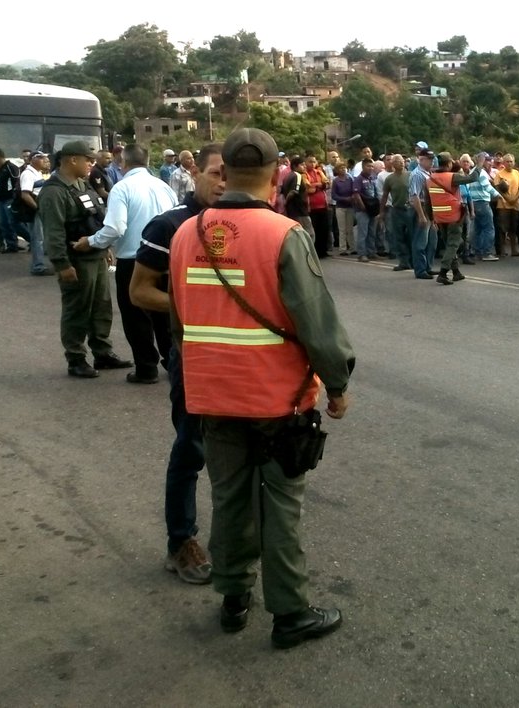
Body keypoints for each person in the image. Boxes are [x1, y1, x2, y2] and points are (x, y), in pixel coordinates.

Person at [168, 127, 354, 649]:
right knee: (281, 504)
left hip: (211, 396)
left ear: (222, 171)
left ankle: (233, 597)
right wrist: (337, 384)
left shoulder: (188, 234)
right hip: (278, 399)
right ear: (277, 174)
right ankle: (290, 612)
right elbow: (317, 323)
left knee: (228, 498)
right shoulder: (284, 234)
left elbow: (180, 323)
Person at [129, 142, 225, 586]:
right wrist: (192, 310)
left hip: (245, 360)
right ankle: (180, 541)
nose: (224, 183)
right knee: (191, 449)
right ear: (195, 173)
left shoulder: (250, 224)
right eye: (217, 173)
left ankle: (239, 540)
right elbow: (140, 291)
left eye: (232, 174)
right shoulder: (170, 225)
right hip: (191, 356)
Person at [76, 144, 177, 384]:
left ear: (122, 162)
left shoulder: (122, 188)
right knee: (165, 315)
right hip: (166, 259)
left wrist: (91, 241)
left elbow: (115, 227)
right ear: (148, 160)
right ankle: (173, 363)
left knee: (136, 317)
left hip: (134, 260)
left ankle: (146, 367)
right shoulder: (164, 187)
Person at [38, 141, 133, 378]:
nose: (92, 163)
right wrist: (62, 264)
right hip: (76, 260)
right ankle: (76, 358)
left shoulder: (82, 184)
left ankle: (102, 352)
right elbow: (54, 232)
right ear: (72, 160)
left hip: (95, 255)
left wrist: (104, 246)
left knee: (101, 307)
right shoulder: (54, 191)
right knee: (77, 309)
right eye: (87, 159)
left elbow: (94, 218)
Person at [427, 152, 481, 285]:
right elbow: (472, 177)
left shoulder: (430, 179)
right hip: (453, 217)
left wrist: (431, 218)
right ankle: (443, 272)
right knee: (454, 244)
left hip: (439, 217)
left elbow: (428, 202)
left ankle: (456, 272)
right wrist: (479, 164)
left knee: (450, 244)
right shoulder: (452, 177)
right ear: (449, 164)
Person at [19, 150, 52, 276]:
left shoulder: (37, 173)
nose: (45, 161)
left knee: (41, 237)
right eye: (42, 159)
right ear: (34, 160)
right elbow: (25, 195)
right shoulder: (28, 174)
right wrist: (38, 208)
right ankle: (38, 266)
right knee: (37, 238)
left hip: (41, 208)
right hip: (35, 211)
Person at [409, 148, 438, 280]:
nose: (431, 162)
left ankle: (428, 267)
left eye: (432, 159)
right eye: (429, 159)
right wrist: (421, 215)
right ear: (421, 160)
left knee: (432, 241)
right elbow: (414, 196)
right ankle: (420, 269)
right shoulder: (417, 174)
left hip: (430, 209)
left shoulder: (428, 173)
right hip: (422, 208)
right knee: (421, 241)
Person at [380, 154, 412, 272]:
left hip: (409, 209)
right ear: (393, 164)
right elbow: (384, 196)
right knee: (399, 237)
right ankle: (403, 262)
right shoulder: (390, 179)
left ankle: (413, 261)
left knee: (411, 236)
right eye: (398, 161)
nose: (401, 163)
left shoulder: (411, 175)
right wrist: (381, 212)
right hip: (396, 210)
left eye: (402, 161)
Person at [0, 150, 21, 252]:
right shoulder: (0, 169)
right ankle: (11, 245)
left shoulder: (10, 167)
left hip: (9, 199)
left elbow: (16, 182)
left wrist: (15, 196)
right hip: (1, 200)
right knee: (3, 223)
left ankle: (30, 240)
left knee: (13, 223)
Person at [303, 156, 330, 258]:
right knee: (314, 230)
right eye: (310, 162)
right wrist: (319, 185)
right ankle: (314, 252)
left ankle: (323, 251)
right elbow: (308, 188)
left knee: (324, 230)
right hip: (312, 207)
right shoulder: (304, 174)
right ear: (306, 163)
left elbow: (326, 183)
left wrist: (316, 185)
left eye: (314, 162)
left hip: (323, 205)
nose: (312, 164)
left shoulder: (319, 172)